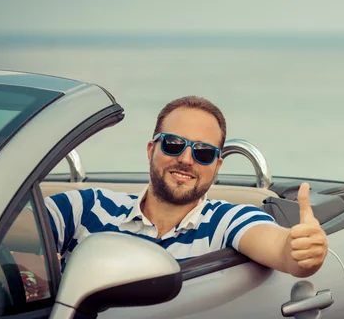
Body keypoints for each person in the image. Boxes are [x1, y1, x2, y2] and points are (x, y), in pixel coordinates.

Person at [44, 96, 328, 278]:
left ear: (217, 166)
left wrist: (302, 252)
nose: (185, 159)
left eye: (203, 152)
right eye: (173, 144)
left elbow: (279, 247)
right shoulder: (86, 207)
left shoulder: (225, 222)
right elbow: (8, 225)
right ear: (150, 150)